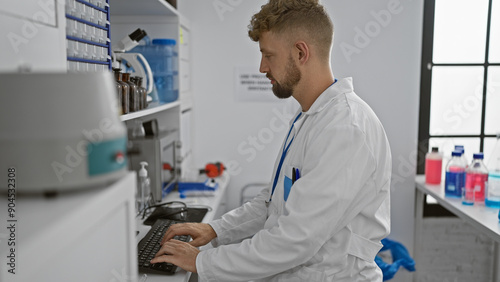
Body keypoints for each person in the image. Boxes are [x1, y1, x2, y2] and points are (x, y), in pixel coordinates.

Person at [151, 0, 392, 281]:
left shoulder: (345, 129)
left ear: (301, 52)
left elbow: (295, 240)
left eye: (268, 55)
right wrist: (215, 230)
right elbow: (272, 203)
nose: (262, 67)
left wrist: (204, 262)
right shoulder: (310, 117)